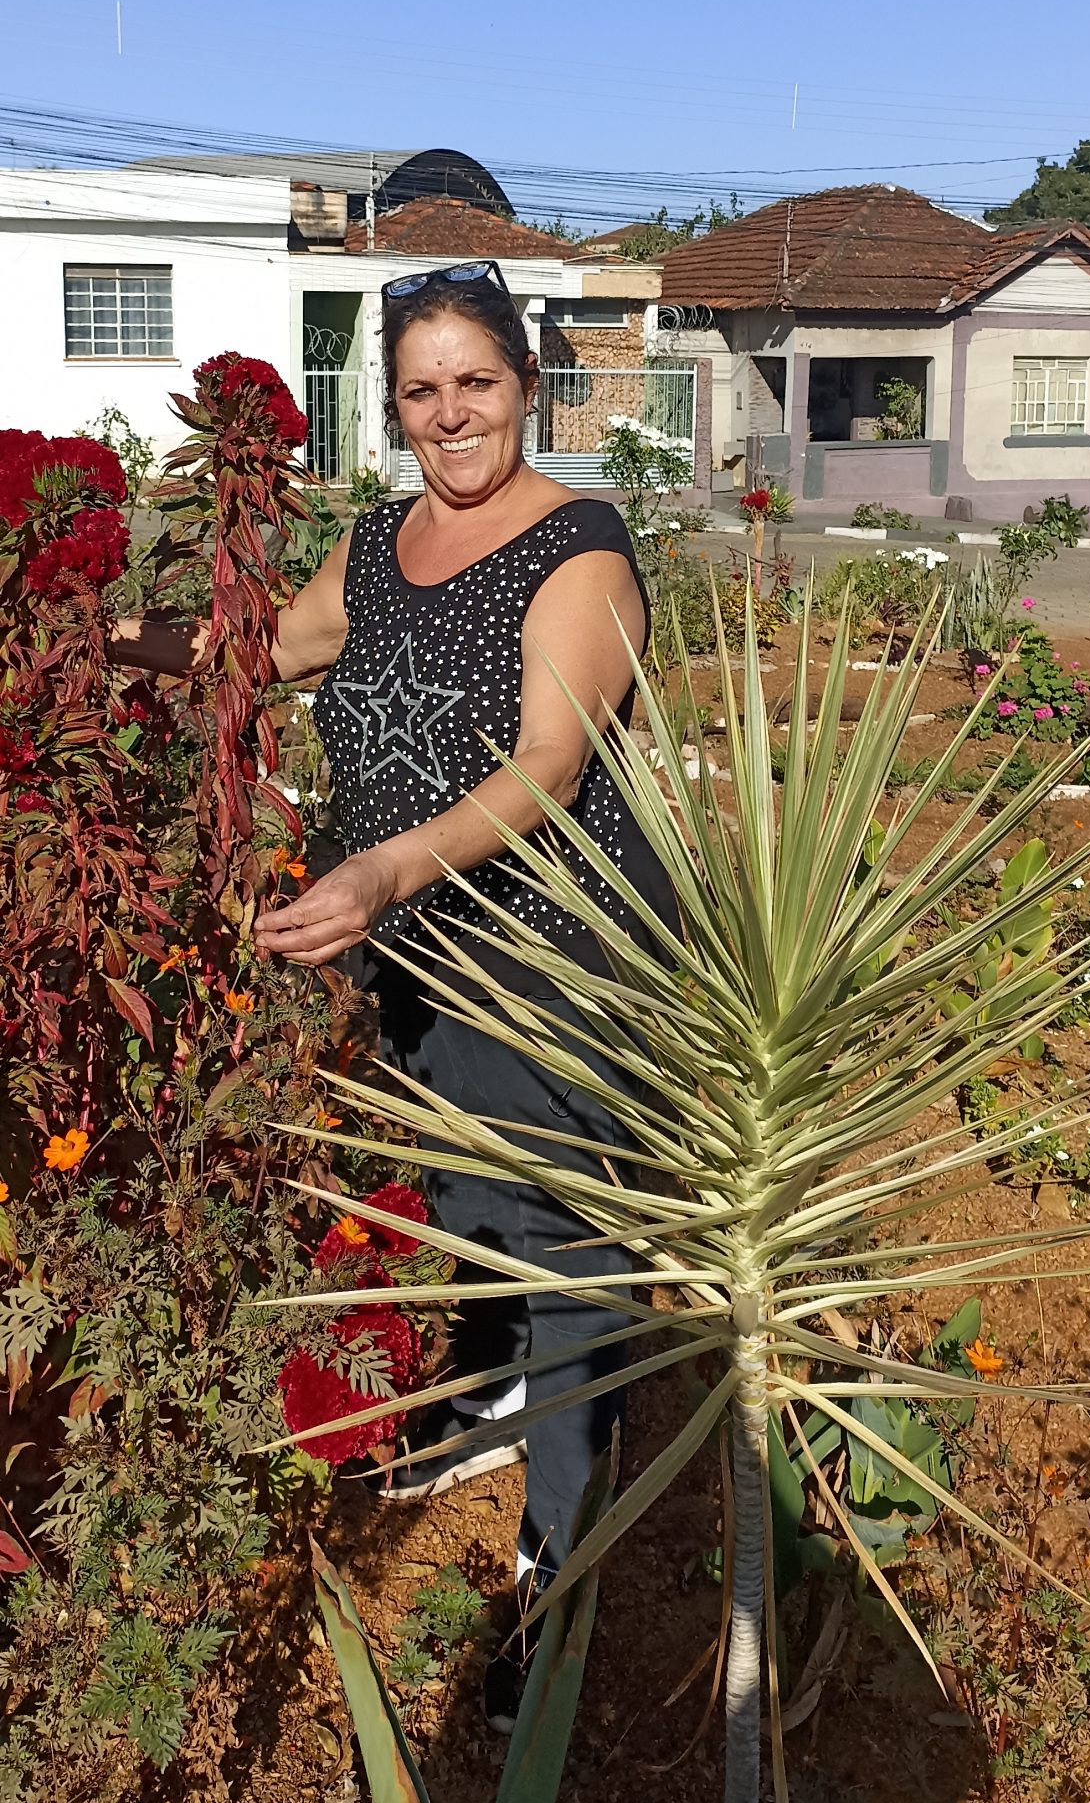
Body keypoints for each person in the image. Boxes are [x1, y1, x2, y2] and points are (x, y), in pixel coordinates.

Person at [117, 262, 677, 1706]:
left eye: (477, 383)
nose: (452, 415)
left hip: (554, 956)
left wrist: (378, 874)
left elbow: (548, 769)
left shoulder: (580, 553)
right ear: (395, 408)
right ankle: (482, 1401)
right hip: (420, 959)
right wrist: (91, 638)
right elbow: (254, 652)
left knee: (566, 1266)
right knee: (470, 1205)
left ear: (528, 387)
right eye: (422, 391)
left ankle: (559, 1587)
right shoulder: (377, 548)